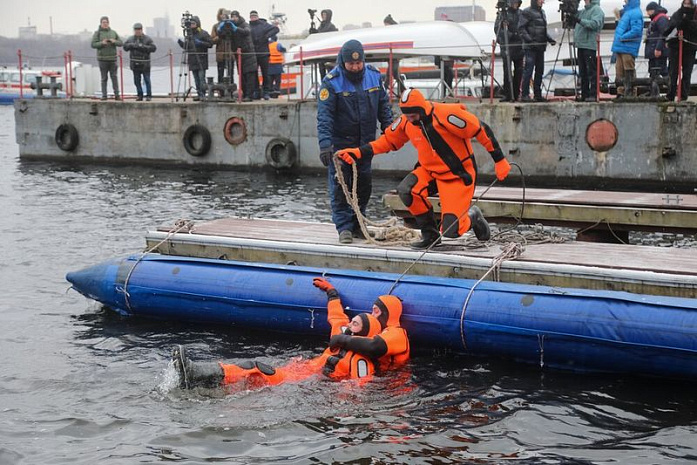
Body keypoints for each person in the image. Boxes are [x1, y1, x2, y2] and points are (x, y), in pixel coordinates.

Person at [336, 88, 511, 249]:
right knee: (407, 190)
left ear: (421, 110)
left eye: (413, 116)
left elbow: (481, 130)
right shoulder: (406, 121)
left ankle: (474, 216)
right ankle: (430, 235)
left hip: (457, 175)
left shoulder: (448, 115)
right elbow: (388, 141)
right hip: (429, 172)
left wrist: (499, 160)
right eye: (407, 116)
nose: (410, 120)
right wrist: (359, 152)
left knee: (452, 230)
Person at [172, 277, 381, 390]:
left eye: (355, 323)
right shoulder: (341, 337)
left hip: (303, 382)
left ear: (363, 331)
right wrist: (332, 292)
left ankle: (194, 374)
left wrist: (337, 396)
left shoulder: (361, 360)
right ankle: (197, 382)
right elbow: (336, 316)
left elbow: (361, 385)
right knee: (250, 378)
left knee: (255, 368)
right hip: (299, 371)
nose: (349, 324)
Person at [316, 39, 393, 244]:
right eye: (351, 64)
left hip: (365, 143)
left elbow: (383, 106)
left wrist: (390, 129)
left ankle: (359, 222)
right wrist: (325, 145)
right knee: (341, 186)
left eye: (358, 63)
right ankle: (344, 227)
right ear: (343, 62)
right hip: (341, 143)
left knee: (363, 185)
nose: (355, 67)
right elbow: (325, 117)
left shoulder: (374, 77)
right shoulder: (332, 82)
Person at [328, 293, 409, 372]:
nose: (372, 315)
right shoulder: (376, 329)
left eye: (376, 311)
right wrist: (332, 294)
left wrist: (341, 339)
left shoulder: (398, 333)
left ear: (386, 313)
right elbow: (338, 318)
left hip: (392, 380)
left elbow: (374, 346)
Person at [519, 0, 556, 102]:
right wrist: (530, 41)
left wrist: (549, 39)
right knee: (528, 71)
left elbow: (543, 30)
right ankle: (525, 94)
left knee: (539, 71)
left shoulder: (542, 12)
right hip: (530, 47)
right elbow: (521, 28)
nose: (542, 1)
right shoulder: (526, 12)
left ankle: (537, 94)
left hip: (540, 46)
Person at [664, 0, 697, 101]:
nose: (686, 6)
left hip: (690, 48)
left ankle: (683, 95)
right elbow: (669, 28)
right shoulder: (677, 14)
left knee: (687, 73)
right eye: (685, 3)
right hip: (675, 47)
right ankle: (670, 95)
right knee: (673, 72)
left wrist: (687, 23)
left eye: (689, 4)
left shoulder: (695, 15)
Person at [572, 0, 605, 101]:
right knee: (583, 72)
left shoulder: (597, 10)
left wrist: (580, 20)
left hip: (589, 45)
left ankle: (592, 94)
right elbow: (574, 18)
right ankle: (585, 94)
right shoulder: (583, 11)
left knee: (591, 71)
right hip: (581, 44)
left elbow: (595, 24)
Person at [610, 0, 643, 99]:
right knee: (619, 69)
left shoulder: (635, 12)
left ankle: (631, 91)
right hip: (622, 46)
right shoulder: (629, 12)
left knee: (628, 69)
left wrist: (623, 37)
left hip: (628, 46)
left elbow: (636, 30)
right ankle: (621, 92)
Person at [495, 0, 525, 102]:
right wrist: (510, 35)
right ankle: (508, 94)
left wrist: (520, 36)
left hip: (519, 47)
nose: (516, 5)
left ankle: (516, 93)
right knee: (507, 71)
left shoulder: (521, 13)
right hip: (507, 47)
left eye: (517, 3)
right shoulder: (503, 14)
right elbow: (497, 29)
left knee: (519, 71)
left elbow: (524, 27)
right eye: (514, 3)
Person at [177, 16, 212, 100]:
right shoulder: (189, 35)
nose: (192, 25)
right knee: (196, 79)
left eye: (193, 23)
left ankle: (203, 94)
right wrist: (181, 44)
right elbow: (187, 47)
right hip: (192, 60)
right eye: (191, 24)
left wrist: (200, 43)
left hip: (201, 59)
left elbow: (210, 44)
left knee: (201, 78)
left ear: (197, 24)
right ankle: (199, 94)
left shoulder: (203, 33)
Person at [249, 10, 280, 100]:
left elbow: (276, 29)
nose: (253, 18)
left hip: (264, 52)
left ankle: (266, 92)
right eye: (252, 16)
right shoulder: (249, 26)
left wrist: (266, 36)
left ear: (257, 17)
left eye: (255, 16)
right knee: (254, 74)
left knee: (265, 74)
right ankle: (257, 91)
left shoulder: (263, 25)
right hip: (253, 53)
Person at [91, 16, 123, 101]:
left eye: (106, 22)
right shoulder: (97, 33)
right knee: (104, 78)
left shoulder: (113, 32)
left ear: (108, 23)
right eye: (103, 22)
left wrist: (114, 41)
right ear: (101, 23)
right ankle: (104, 95)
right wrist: (102, 43)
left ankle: (117, 95)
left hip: (113, 59)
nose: (105, 24)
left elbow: (120, 43)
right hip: (102, 59)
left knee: (114, 77)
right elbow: (93, 44)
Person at [123, 23, 157, 101]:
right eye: (136, 30)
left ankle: (149, 95)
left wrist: (142, 46)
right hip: (135, 63)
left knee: (147, 80)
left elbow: (153, 48)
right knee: (136, 81)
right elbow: (125, 47)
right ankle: (140, 95)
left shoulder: (147, 39)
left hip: (145, 64)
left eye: (139, 30)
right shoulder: (130, 39)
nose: (137, 31)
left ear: (142, 30)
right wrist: (132, 45)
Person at [229, 10, 258, 102]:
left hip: (248, 54)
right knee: (242, 76)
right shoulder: (231, 26)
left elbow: (247, 31)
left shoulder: (244, 24)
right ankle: (245, 94)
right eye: (232, 17)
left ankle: (249, 95)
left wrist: (236, 29)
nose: (234, 18)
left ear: (238, 17)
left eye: (235, 17)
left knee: (249, 76)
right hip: (239, 55)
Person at [645, 1, 670, 88]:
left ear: (652, 10)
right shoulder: (658, 18)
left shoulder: (661, 19)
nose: (647, 13)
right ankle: (653, 90)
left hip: (657, 50)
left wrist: (658, 48)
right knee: (653, 71)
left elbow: (663, 34)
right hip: (653, 49)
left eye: (648, 11)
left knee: (662, 70)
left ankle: (670, 89)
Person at [211, 8, 236, 88]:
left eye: (225, 14)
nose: (223, 16)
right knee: (220, 73)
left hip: (230, 52)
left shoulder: (232, 25)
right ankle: (221, 91)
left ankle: (231, 90)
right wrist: (220, 36)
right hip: (221, 53)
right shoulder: (216, 26)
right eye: (222, 14)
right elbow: (212, 39)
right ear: (219, 15)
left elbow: (236, 37)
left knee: (231, 73)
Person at [383, 14, 406, 96]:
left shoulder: (393, 32)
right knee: (395, 75)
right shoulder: (395, 31)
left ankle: (385, 90)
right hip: (393, 57)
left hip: (394, 57)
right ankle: (403, 91)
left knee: (391, 74)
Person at [313, 10, 339, 79]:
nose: (323, 16)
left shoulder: (331, 26)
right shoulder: (321, 26)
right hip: (321, 52)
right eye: (322, 15)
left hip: (328, 53)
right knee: (322, 71)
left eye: (325, 15)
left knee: (330, 71)